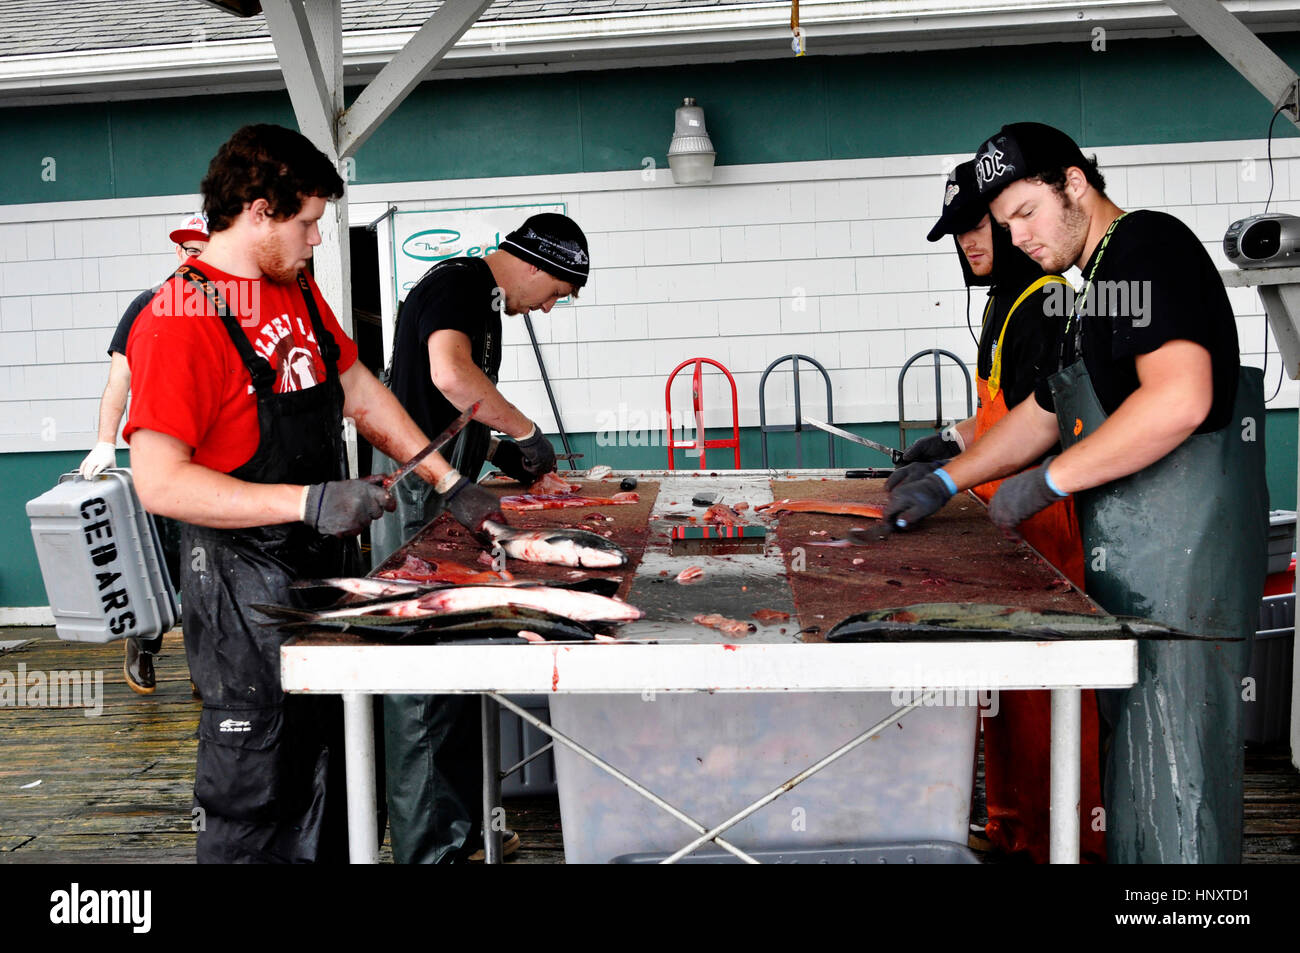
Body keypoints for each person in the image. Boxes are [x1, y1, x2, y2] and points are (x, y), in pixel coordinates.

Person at [885, 122, 1267, 863]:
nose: (1018, 236)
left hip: (1186, 587)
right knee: (1137, 786)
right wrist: (944, 476)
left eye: (1027, 211)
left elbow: (1180, 399)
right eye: (1006, 223)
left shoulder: (1149, 248)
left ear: (1074, 183)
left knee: (1179, 786)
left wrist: (1051, 479)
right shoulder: (1097, 283)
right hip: (1140, 582)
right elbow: (1048, 409)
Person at [123, 123, 504, 863]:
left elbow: (358, 388)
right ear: (259, 210)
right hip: (241, 598)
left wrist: (447, 479)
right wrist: (304, 501)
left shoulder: (294, 290)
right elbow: (159, 482)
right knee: (261, 807)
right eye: (308, 223)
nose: (317, 241)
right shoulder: (178, 320)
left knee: (337, 786)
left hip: (322, 577)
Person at [891, 159, 1103, 863]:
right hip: (1003, 513)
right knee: (1006, 691)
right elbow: (1000, 410)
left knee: (1046, 691)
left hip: (1043, 516)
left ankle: (1063, 839)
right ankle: (1014, 825)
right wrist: (948, 441)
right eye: (957, 233)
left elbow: (1034, 420)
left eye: (978, 226)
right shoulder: (1001, 303)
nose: (968, 244)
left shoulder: (1043, 298)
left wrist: (950, 475)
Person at [375, 212, 589, 863]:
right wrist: (525, 431)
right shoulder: (460, 282)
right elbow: (447, 375)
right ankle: (429, 851)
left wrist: (497, 449)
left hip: (447, 492)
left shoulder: (482, 299)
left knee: (458, 662)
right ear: (531, 261)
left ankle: (462, 833)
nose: (549, 308)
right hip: (417, 498)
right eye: (555, 291)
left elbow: (445, 406)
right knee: (424, 678)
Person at [79, 213, 210, 695]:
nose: (196, 260)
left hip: (212, 461)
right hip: (157, 458)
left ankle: (205, 671)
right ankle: (144, 642)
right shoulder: (147, 305)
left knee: (207, 567)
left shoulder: (231, 307)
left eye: (205, 250)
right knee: (157, 559)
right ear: (178, 254)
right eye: (189, 251)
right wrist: (104, 440)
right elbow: (120, 379)